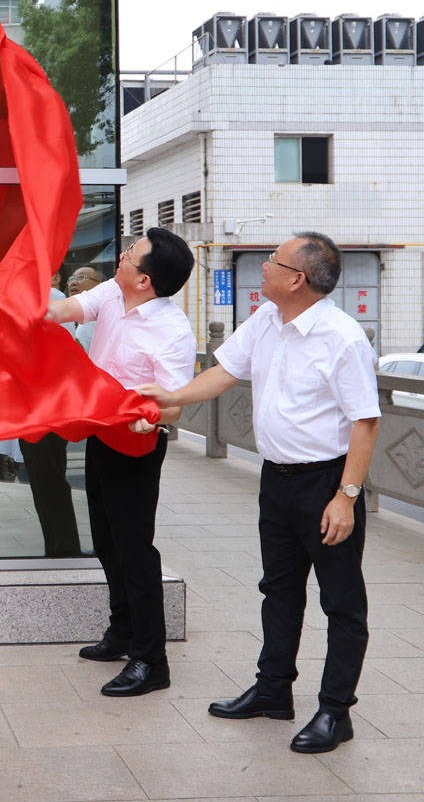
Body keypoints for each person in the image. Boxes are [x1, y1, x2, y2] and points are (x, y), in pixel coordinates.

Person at [136, 232, 379, 753]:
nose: (264, 266)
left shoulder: (342, 338)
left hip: (326, 482)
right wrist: (172, 396)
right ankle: (273, 690)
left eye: (273, 261)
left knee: (341, 602)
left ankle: (336, 711)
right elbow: (225, 372)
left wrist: (347, 496)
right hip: (278, 479)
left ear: (298, 278)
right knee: (279, 590)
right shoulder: (267, 320)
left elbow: (365, 422)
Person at [45, 228, 196, 696]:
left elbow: (173, 405)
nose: (123, 256)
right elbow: (63, 312)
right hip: (99, 433)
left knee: (135, 550)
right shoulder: (111, 291)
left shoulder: (173, 331)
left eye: (132, 255)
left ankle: (152, 660)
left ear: (146, 280)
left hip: (137, 444)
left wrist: (147, 416)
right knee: (107, 542)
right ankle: (122, 631)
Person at [17, 270, 82, 557]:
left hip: (46, 404)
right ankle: (58, 545)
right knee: (45, 478)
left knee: (48, 478)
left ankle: (63, 547)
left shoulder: (53, 300)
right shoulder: (36, 300)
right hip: (38, 403)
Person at [67, 265, 104, 352]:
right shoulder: (73, 318)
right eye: (71, 279)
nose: (73, 283)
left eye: (81, 277)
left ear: (99, 285)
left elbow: (78, 355)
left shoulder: (95, 317)